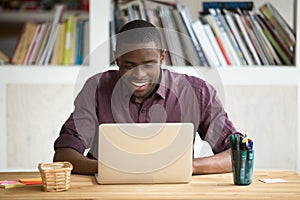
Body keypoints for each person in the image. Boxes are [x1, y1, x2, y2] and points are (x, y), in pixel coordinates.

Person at [53, 19, 240, 175]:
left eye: (148, 64)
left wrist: (189, 167)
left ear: (162, 57)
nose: (139, 74)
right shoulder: (96, 89)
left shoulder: (196, 92)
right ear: (116, 59)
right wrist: (108, 169)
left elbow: (238, 154)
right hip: (108, 191)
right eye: (128, 65)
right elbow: (64, 154)